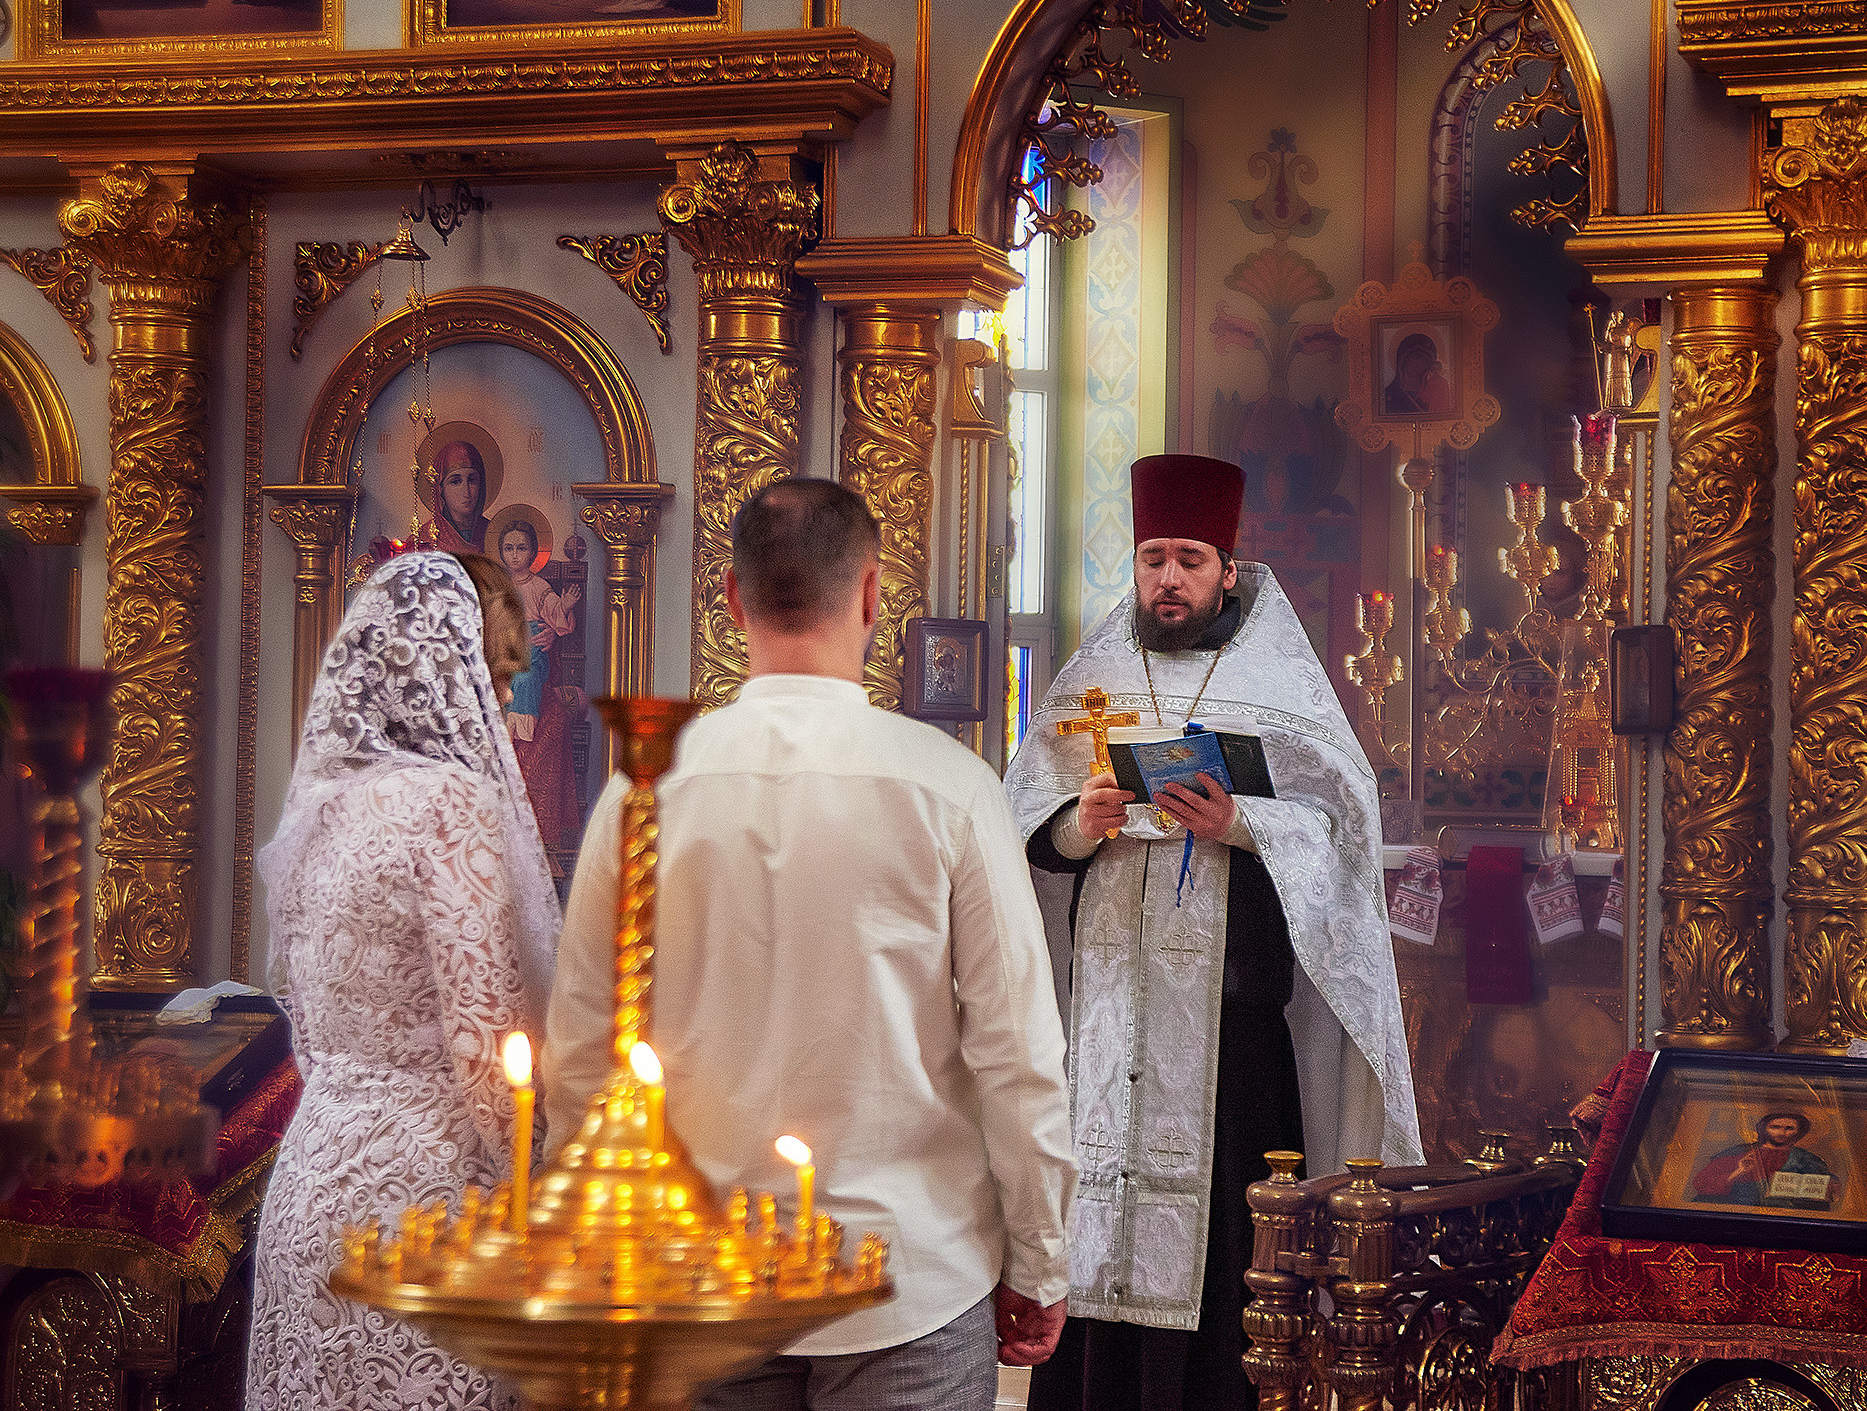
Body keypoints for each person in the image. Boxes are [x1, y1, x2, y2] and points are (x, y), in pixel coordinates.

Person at [546, 478, 1076, 1411]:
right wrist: (1039, 1254)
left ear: (732, 598)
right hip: (906, 1274)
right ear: (873, 594)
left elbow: (582, 1053)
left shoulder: (644, 793)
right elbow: (1017, 1050)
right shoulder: (949, 787)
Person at [1009, 454, 1421, 1411]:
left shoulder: (1280, 685)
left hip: (1232, 1043)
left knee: (1235, 1267)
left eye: (1189, 559)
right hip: (1106, 1030)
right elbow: (1024, 820)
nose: (1168, 578)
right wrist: (1082, 823)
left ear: (1227, 570)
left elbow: (1341, 831)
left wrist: (1239, 823)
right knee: (1097, 1238)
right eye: (1154, 557)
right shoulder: (1095, 680)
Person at [247, 551, 562, 1411]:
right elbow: (488, 1052)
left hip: (313, 1181)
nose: (502, 703)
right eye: (491, 676)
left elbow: (310, 1033)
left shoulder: (319, 812)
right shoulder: (448, 807)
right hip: (429, 1205)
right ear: (442, 671)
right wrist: (552, 1188)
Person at [495, 517, 584, 851]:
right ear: (502, 553)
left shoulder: (539, 585)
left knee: (529, 669)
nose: (516, 555)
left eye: (521, 548)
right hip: (505, 644)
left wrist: (564, 606)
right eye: (509, 548)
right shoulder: (499, 584)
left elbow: (554, 618)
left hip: (534, 645)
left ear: (533, 551)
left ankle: (522, 721)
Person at [1689, 1111, 1834, 1210]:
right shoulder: (1738, 1154)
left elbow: (1826, 1193)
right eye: (1775, 1127)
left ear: (1799, 1132)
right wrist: (1738, 1172)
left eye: (1789, 1128)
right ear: (1764, 1129)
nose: (1782, 1133)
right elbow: (1701, 1185)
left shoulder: (1808, 1160)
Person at [430, 440, 492, 554]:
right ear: (440, 489)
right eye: (455, 482)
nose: (466, 492)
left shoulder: (495, 533)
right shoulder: (425, 538)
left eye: (472, 480)